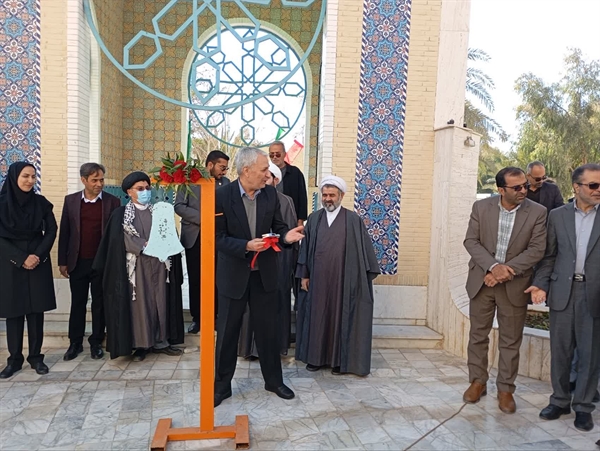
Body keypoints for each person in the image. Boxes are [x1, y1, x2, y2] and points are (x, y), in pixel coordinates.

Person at [214, 147, 304, 407]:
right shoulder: (221, 196)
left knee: (268, 331)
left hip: (264, 275)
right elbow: (217, 237)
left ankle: (273, 381)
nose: (268, 175)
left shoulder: (270, 195)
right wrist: (245, 246)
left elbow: (279, 227)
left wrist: (286, 237)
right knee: (228, 333)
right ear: (246, 171)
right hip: (234, 275)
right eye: (264, 170)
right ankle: (221, 387)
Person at [463, 167, 547, 413]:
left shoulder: (538, 212)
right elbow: (471, 241)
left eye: (525, 185)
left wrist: (504, 271)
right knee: (478, 335)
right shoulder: (481, 208)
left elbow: (537, 249)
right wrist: (492, 267)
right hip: (482, 281)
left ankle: (506, 389)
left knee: (510, 340)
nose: (524, 190)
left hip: (514, 284)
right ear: (501, 190)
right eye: (517, 187)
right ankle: (477, 382)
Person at [527, 163, 600, 431]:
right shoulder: (557, 216)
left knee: (590, 355)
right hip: (562, 292)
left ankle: (583, 407)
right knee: (560, 352)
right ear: (576, 187)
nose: (598, 190)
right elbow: (549, 256)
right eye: (593, 185)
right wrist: (540, 284)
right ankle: (559, 401)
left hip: (594, 294)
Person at [92, 171, 184, 361]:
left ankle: (161, 341)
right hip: (137, 266)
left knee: (161, 302)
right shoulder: (121, 214)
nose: (145, 192)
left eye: (147, 188)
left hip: (160, 264)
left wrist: (163, 244)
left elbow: (169, 233)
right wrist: (144, 245)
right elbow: (121, 239)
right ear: (129, 191)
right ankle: (143, 344)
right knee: (140, 305)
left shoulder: (158, 211)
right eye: (140, 189)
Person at [294, 175, 379, 376]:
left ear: (341, 196)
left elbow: (363, 253)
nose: (328, 199)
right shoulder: (314, 219)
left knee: (340, 318)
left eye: (332, 195)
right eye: (325, 195)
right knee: (317, 317)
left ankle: (339, 361)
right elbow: (305, 249)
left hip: (343, 281)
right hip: (318, 281)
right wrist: (304, 275)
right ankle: (315, 358)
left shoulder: (353, 220)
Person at [57, 163, 121, 361]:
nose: (99, 184)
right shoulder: (71, 201)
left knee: (99, 303)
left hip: (102, 262)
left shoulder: (113, 202)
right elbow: (65, 232)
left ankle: (96, 342)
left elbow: (116, 235)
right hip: (78, 262)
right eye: (94, 180)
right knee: (78, 302)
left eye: (101, 180)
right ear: (83, 180)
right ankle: (75, 343)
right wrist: (62, 261)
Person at [0, 162, 57, 378]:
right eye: (25, 176)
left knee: (36, 312)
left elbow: (51, 230)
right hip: (10, 263)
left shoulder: (40, 203)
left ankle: (36, 357)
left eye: (33, 176)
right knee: (14, 313)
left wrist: (37, 255)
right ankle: (14, 360)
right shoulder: (2, 204)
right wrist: (21, 258)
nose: (30, 180)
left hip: (37, 261)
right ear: (14, 177)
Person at [238, 162, 298, 358]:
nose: (264, 178)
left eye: (268, 175)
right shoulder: (250, 197)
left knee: (275, 303)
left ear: (276, 180)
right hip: (252, 257)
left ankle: (275, 347)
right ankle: (248, 348)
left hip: (278, 259)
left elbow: (286, 232)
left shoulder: (285, 201)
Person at [175, 150, 230, 334]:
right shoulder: (190, 180)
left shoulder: (226, 183)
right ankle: (197, 319)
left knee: (217, 278)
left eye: (226, 168)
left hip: (217, 237)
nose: (224, 171)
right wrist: (203, 218)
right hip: (194, 236)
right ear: (210, 165)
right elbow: (179, 206)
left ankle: (215, 316)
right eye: (222, 167)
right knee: (196, 279)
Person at [268, 141, 307, 226]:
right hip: (269, 217)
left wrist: (300, 221)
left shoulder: (295, 173)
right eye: (271, 155)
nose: (274, 157)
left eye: (278, 154)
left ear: (284, 154)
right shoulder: (265, 173)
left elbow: (302, 197)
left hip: (289, 217)